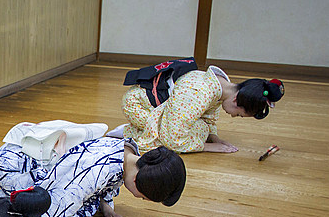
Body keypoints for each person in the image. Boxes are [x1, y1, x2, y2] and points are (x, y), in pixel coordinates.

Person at [0, 135, 185, 217]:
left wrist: (107, 209)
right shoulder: (97, 172)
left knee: (89, 204)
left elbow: (103, 186)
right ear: (136, 181)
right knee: (38, 207)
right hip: (14, 164)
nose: (140, 198)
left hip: (35, 151)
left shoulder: (127, 151)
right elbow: (54, 215)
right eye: (143, 196)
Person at [120, 58, 285, 153]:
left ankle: (138, 129)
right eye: (239, 114)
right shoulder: (199, 93)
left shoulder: (220, 87)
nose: (234, 116)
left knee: (201, 128)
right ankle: (129, 132)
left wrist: (215, 138)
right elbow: (174, 140)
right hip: (138, 105)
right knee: (171, 138)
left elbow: (208, 120)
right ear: (236, 100)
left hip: (160, 103)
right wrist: (207, 147)